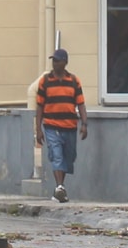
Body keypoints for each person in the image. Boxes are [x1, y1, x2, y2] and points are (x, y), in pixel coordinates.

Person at [34, 48, 88, 203]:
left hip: (70, 126)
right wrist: (38, 129)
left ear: (65, 63)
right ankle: (60, 186)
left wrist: (84, 124)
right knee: (57, 156)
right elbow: (39, 107)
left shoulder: (73, 81)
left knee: (68, 157)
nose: (55, 63)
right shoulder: (45, 81)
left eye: (58, 60)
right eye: (54, 60)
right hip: (51, 126)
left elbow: (81, 104)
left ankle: (60, 190)